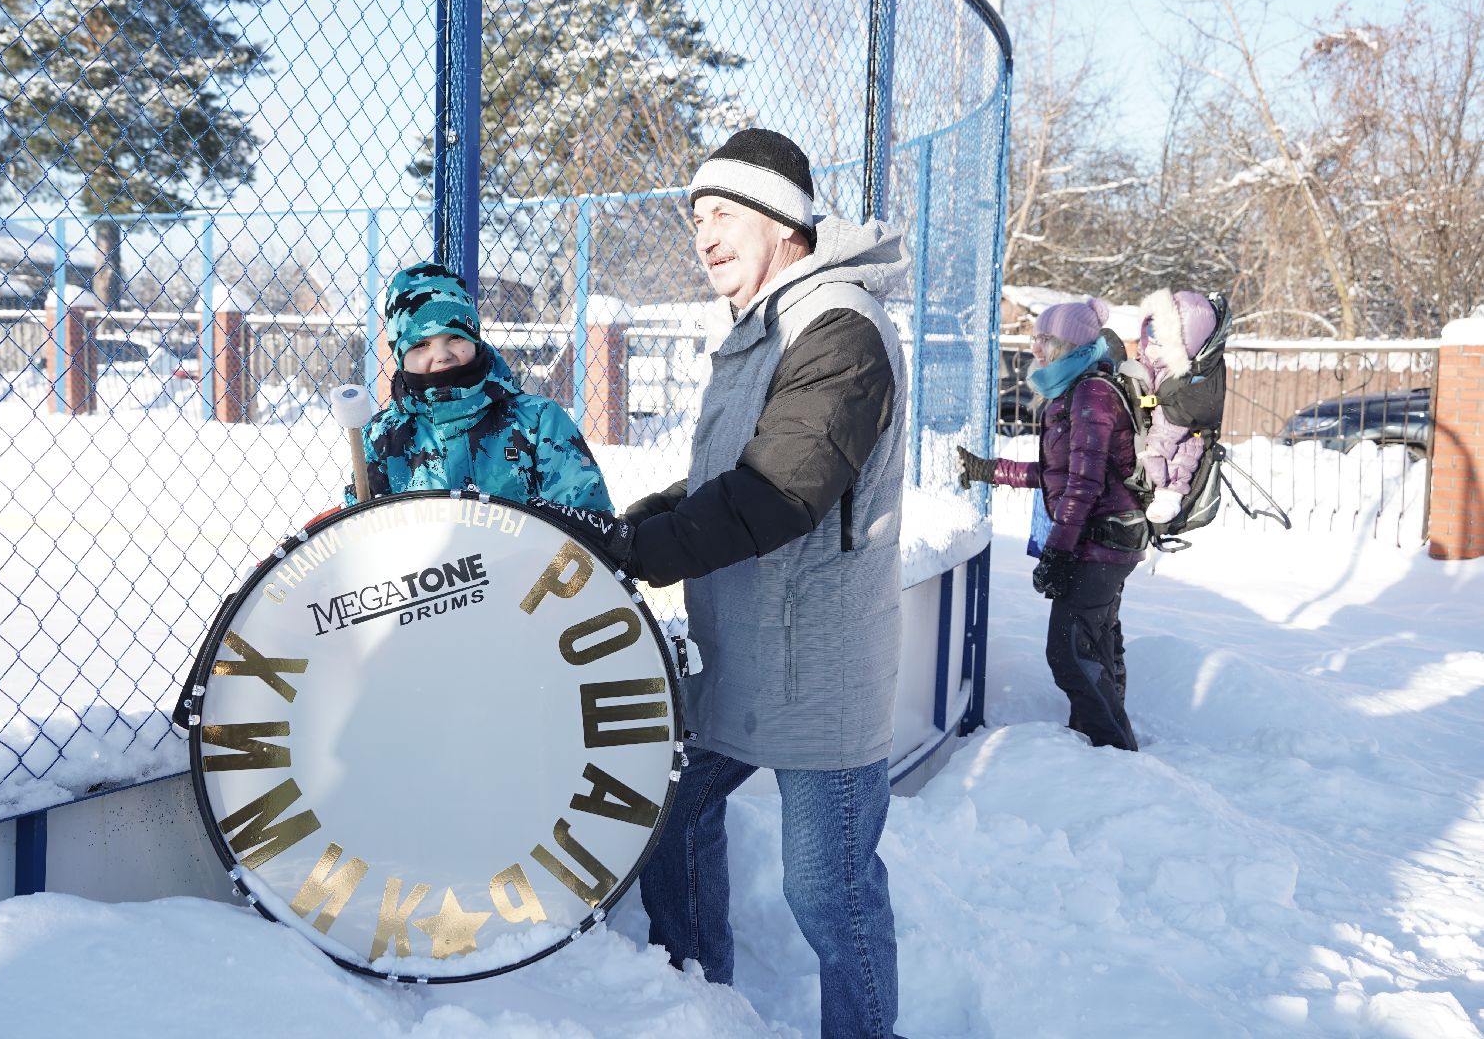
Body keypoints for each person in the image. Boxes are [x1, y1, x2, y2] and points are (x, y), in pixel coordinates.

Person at [579, 128, 909, 1039]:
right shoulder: (763, 328)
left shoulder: (838, 329)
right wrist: (622, 530)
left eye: (725, 213)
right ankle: (701, 1000)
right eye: (697, 219)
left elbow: (777, 493)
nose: (706, 235)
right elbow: (721, 477)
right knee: (674, 810)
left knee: (829, 889)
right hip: (745, 649)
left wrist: (642, 552)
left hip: (821, 663)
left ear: (784, 223)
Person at [956, 298, 1143, 751]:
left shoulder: (1090, 394)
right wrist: (991, 470)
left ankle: (1114, 749)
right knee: (1092, 646)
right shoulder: (1073, 391)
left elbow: (1084, 485)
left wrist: (1058, 552)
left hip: (1102, 541)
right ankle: (1101, 746)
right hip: (1102, 539)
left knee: (1068, 652)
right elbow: (1061, 472)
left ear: (1068, 345)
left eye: (1044, 339)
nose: (1034, 347)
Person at [344, 262, 611, 510]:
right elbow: (363, 534)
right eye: (421, 344)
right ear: (400, 356)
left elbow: (585, 521)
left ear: (474, 338)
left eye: (454, 337)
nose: (442, 355)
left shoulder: (537, 424)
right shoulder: (383, 438)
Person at [1133, 288, 1222, 525]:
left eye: (1159, 334)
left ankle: (1169, 496)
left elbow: (1170, 423)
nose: (1152, 341)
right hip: (1156, 433)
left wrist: (1154, 452)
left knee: (1179, 460)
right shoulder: (1155, 366)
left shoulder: (1182, 381)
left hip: (1176, 443)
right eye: (1149, 331)